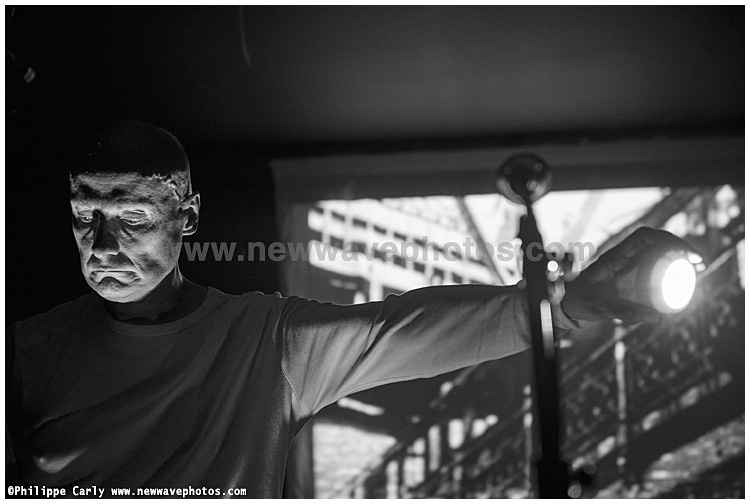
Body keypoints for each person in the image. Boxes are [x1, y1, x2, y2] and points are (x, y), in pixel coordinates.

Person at [6, 121, 677, 498]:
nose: (102, 245)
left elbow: (404, 332)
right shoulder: (26, 354)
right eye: (85, 217)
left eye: (132, 217)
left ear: (189, 216)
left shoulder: (262, 342)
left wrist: (570, 304)